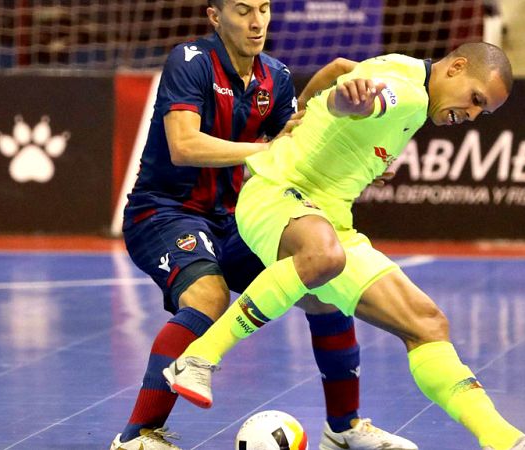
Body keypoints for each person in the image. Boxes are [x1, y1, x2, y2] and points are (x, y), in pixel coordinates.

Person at [164, 42, 525, 450]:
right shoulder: (407, 93)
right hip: (277, 194)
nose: (470, 115)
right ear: (456, 67)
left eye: (481, 112)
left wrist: (303, 111)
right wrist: (348, 103)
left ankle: (503, 439)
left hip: (329, 220)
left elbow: (338, 68)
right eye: (475, 99)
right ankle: (198, 357)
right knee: (323, 255)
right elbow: (367, 97)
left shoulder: (409, 70)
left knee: (427, 323)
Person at [110, 1, 417, 449]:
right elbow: (183, 145)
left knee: (324, 289)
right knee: (208, 296)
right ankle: (137, 437)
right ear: (215, 16)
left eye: (264, 9)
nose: (257, 23)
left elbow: (296, 147)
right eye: (242, 11)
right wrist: (264, 150)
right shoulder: (190, 61)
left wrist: (360, 160)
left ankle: (344, 429)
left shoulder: (276, 76)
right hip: (164, 211)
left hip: (235, 217)